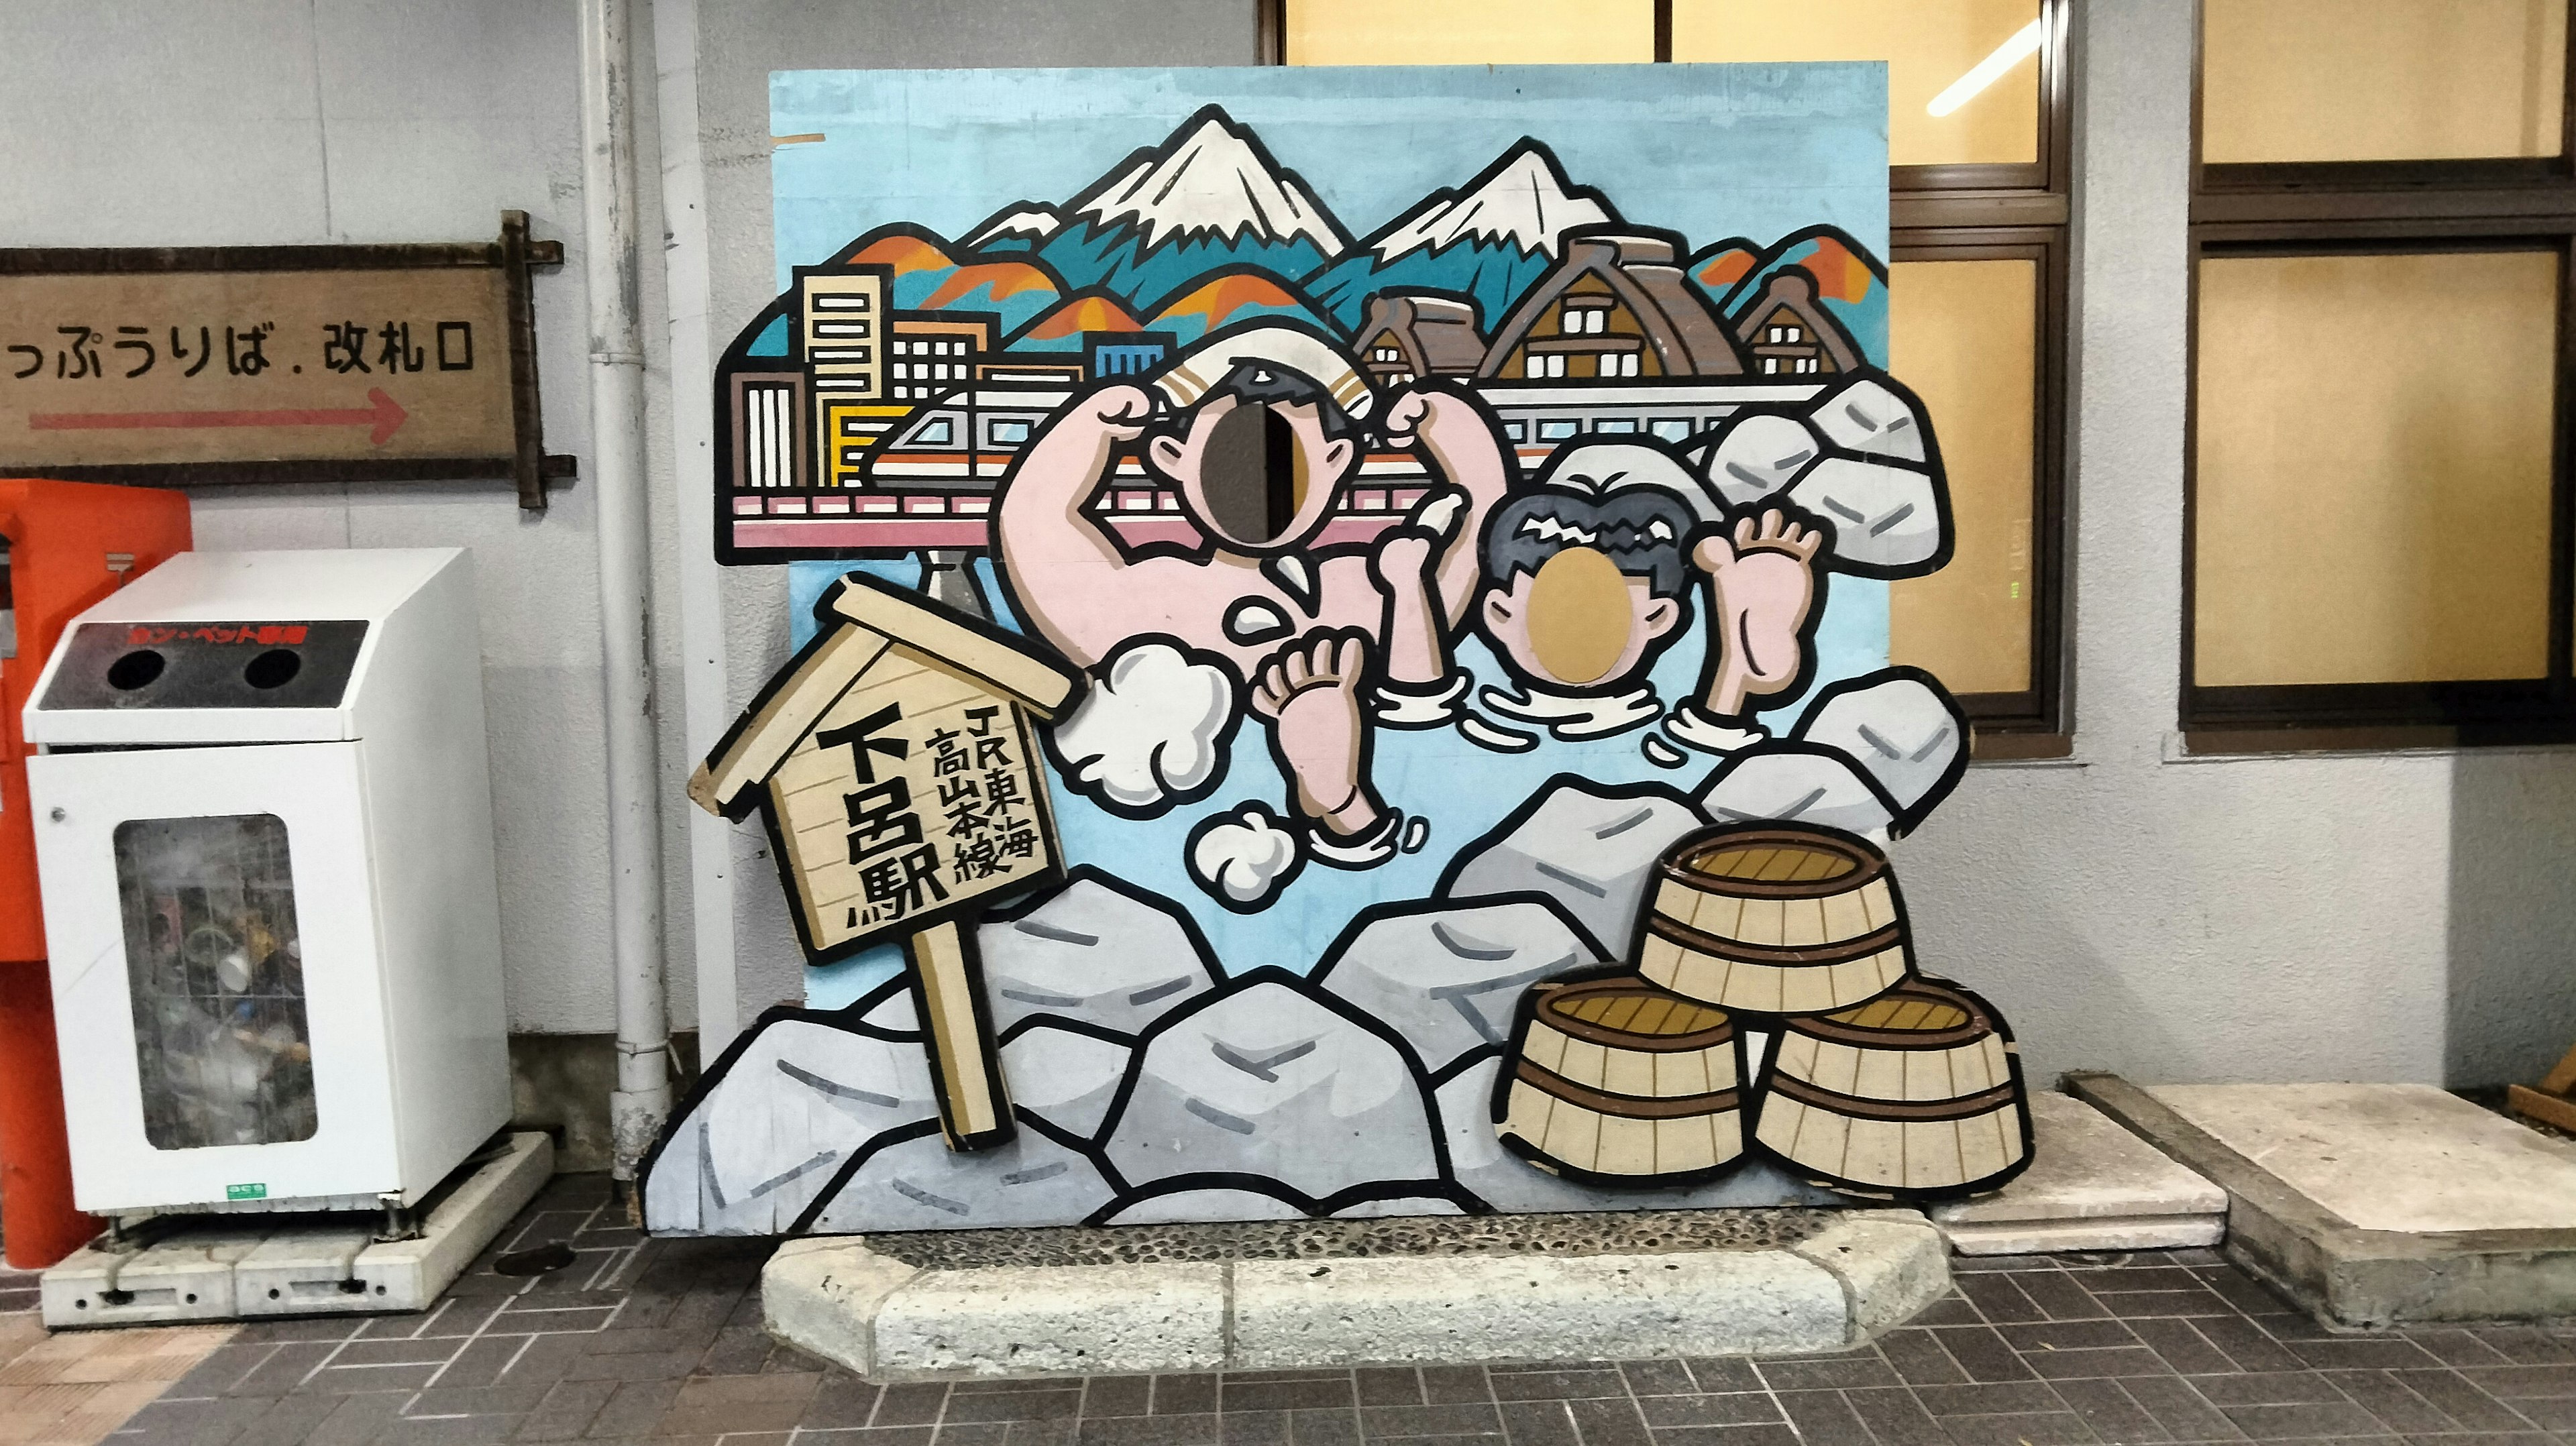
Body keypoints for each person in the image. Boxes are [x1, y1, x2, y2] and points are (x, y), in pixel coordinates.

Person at [996, 325, 1511, 865]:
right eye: (1233, 451)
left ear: (1337, 460)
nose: (1257, 477)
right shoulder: (1158, 592)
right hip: (1211, 814)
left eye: (1285, 456)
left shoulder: (1358, 583)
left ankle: (1342, 801)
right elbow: (1047, 547)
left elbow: (1461, 570)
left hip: (1267, 840)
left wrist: (1454, 440)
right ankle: (1340, 803)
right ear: (1173, 455)